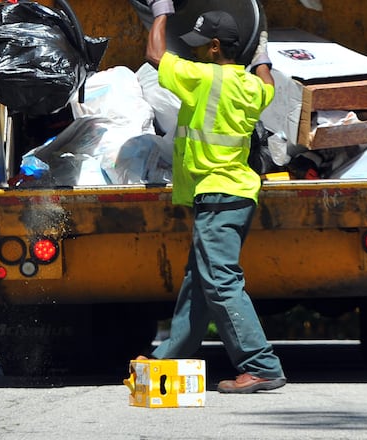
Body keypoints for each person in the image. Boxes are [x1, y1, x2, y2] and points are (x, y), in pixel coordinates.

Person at [142, 1, 286, 393]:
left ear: (216, 47)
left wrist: (160, 11)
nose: (191, 48)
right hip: (236, 194)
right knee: (200, 279)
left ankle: (261, 365)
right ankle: (168, 358)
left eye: (200, 43)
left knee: (221, 281)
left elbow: (155, 55)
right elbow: (269, 86)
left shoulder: (203, 78)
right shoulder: (253, 87)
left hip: (218, 193)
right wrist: (262, 58)